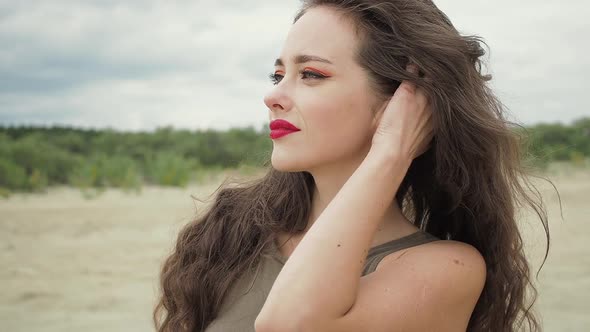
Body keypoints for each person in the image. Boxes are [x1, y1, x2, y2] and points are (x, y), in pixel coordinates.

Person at [154, 1, 551, 331]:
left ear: (402, 102)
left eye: (311, 74)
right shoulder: (232, 230)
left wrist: (391, 152)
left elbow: (290, 324)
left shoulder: (448, 270)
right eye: (278, 74)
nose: (273, 95)